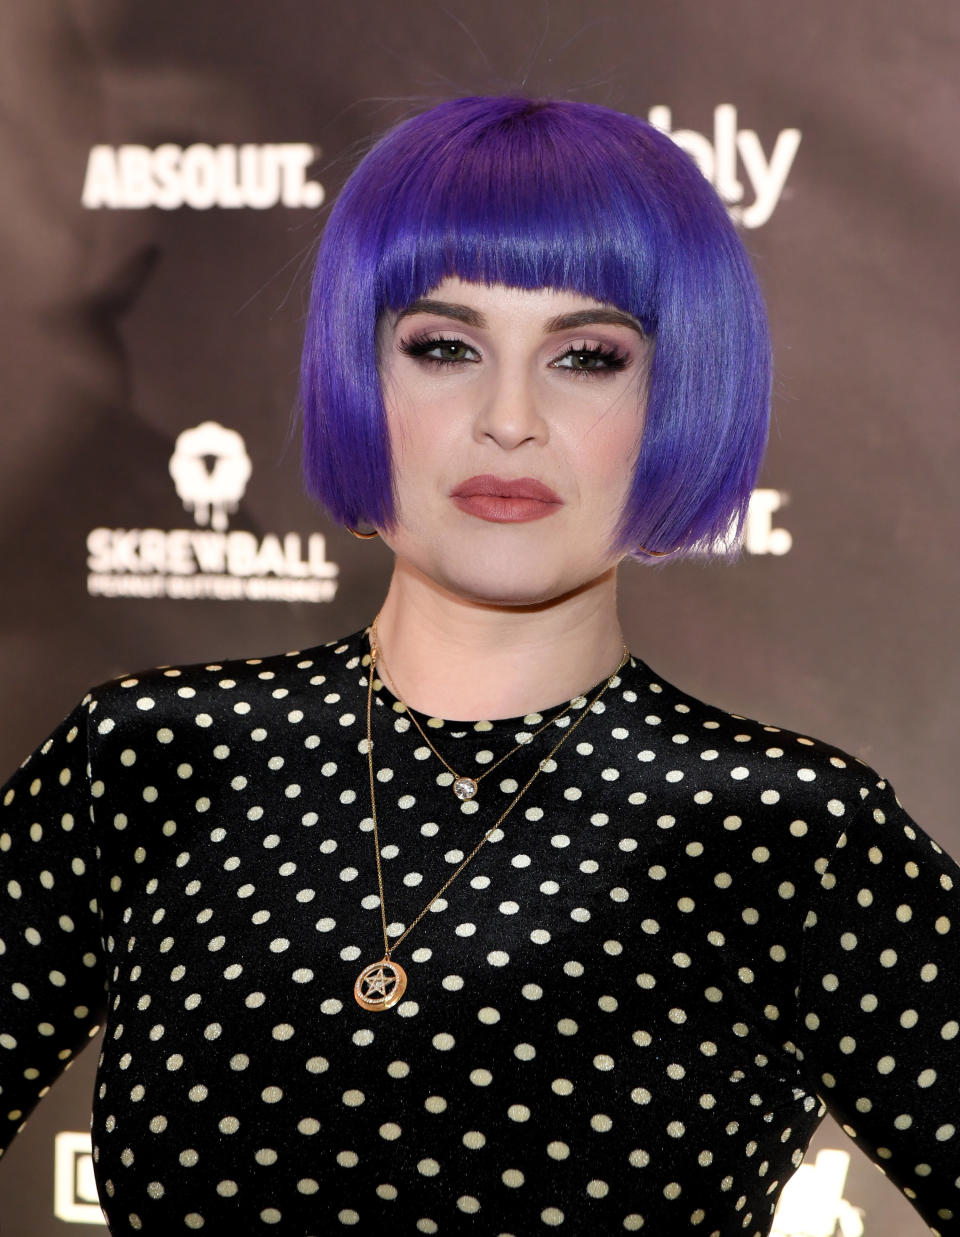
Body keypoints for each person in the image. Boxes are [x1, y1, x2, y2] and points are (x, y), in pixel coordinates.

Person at [1, 95, 956, 1237]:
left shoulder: (792, 832)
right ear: (362, 373)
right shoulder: (149, 759)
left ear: (677, 397)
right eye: (446, 347)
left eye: (588, 356)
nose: (510, 419)